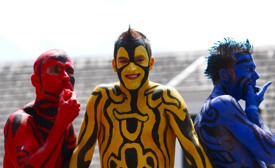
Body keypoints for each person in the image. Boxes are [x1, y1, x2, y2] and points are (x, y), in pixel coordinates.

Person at [69, 28, 212, 168]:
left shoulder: (167, 99)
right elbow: (83, 153)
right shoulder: (101, 98)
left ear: (150, 63)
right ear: (114, 65)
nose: (131, 68)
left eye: (139, 60)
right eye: (124, 61)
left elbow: (193, 149)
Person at [194, 38, 275, 167]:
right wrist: (252, 109)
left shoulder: (211, 108)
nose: (256, 76)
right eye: (249, 69)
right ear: (225, 75)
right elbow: (272, 151)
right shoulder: (222, 103)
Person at [3, 49, 80, 167]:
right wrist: (61, 124)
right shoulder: (20, 121)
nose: (66, 77)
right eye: (55, 70)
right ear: (35, 81)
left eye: (69, 71)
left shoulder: (66, 123)